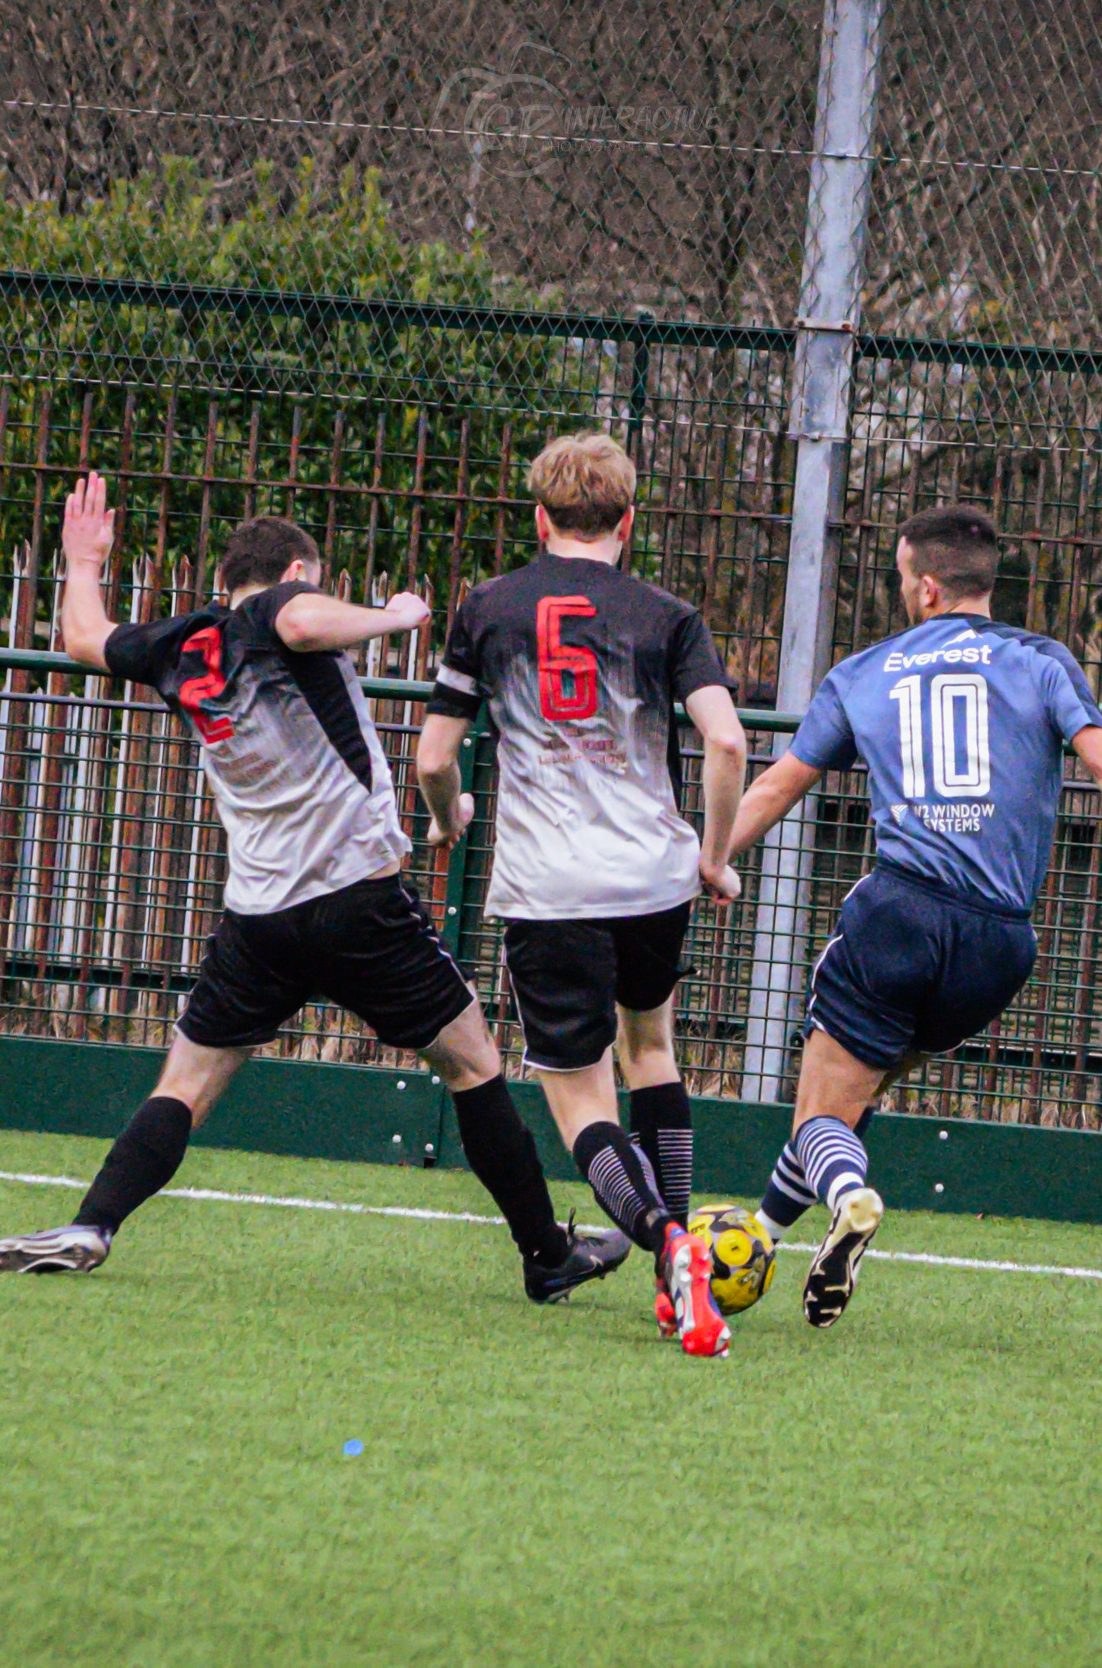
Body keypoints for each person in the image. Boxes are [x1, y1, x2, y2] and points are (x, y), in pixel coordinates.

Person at [0, 474, 627, 1304]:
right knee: (472, 1063)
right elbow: (301, 618)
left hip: (259, 916)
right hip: (357, 905)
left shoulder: (184, 642)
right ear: (296, 573)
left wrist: (83, 558)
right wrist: (394, 616)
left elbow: (83, 635)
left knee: (187, 1084)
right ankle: (545, 1254)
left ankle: (92, 1224)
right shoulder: (280, 612)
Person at [727, 503, 1102, 1328]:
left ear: (922, 587)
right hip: (999, 945)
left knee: (818, 1117)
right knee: (854, 1097)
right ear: (986, 583)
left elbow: (772, 789)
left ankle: (847, 1199)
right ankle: (763, 1236)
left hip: (900, 915)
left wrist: (700, 863)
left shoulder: (863, 673)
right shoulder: (1043, 662)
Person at [416, 432, 750, 1358]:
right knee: (653, 1050)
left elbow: (434, 756)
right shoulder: (667, 614)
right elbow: (726, 745)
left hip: (551, 885)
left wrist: (449, 818)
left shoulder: (487, 608)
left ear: (539, 517)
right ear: (629, 521)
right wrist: (713, 855)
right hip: (653, 876)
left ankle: (666, 1242)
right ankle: (676, 1283)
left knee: (577, 1099)